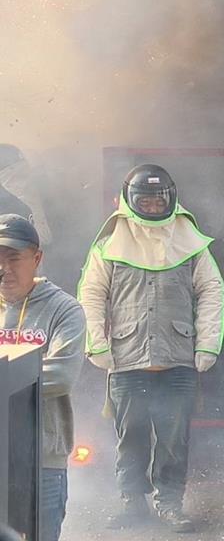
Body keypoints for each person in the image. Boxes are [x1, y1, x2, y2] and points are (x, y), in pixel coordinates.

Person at [79, 164, 224, 532]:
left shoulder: (190, 242)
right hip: (126, 360)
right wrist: (96, 343)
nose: (153, 207)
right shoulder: (108, 246)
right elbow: (91, 295)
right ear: (130, 201)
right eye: (145, 201)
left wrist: (208, 343)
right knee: (130, 437)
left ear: (171, 199)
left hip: (178, 361)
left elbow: (212, 291)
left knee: (175, 440)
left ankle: (170, 504)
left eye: (159, 201)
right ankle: (132, 503)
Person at [0, 215, 84, 541]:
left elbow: (61, 375)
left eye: (14, 258)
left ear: (37, 258)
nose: (4, 268)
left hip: (43, 459)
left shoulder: (64, 310)